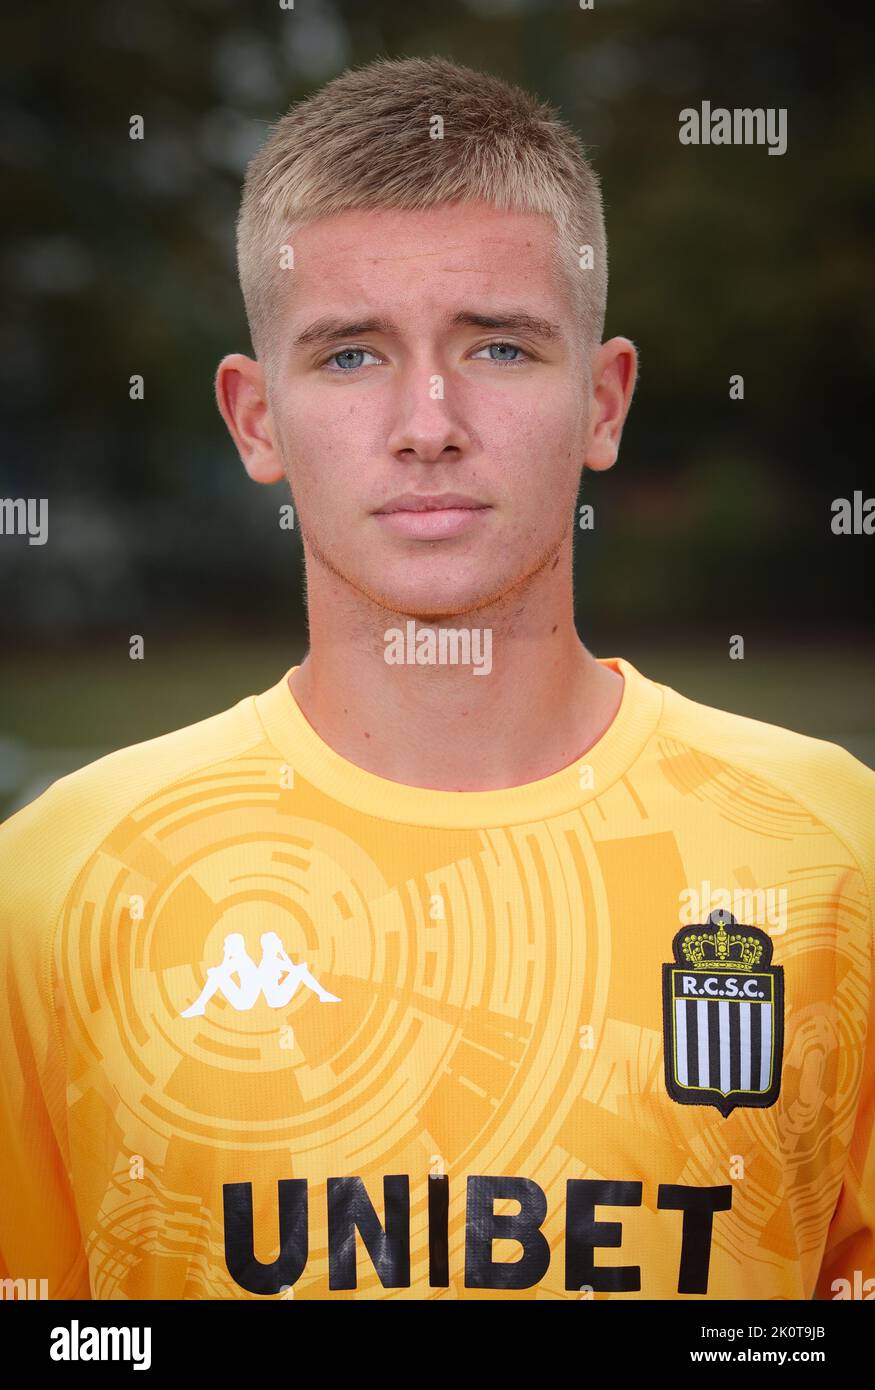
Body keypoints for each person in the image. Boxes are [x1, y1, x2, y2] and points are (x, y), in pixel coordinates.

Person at [0, 56, 873, 1302]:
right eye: (350, 356)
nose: (427, 421)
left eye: (501, 348)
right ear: (256, 420)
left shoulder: (835, 851)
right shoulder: (53, 886)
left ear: (603, 402)